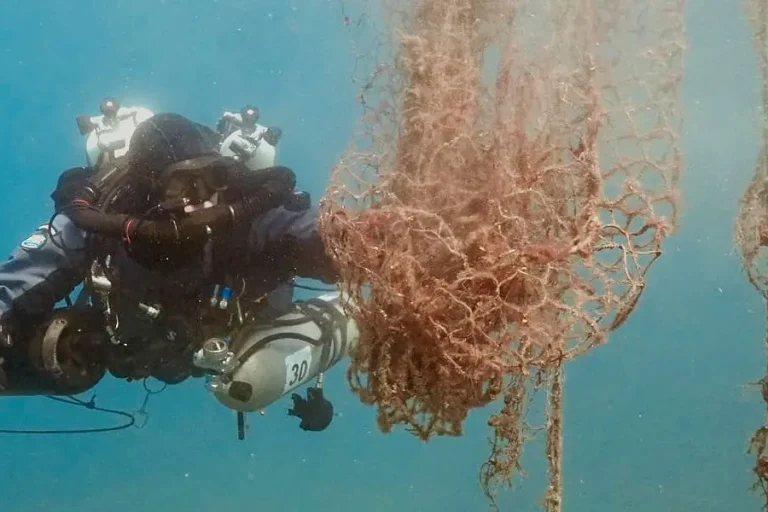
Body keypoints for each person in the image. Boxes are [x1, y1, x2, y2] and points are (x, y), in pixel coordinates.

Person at [0, 101, 350, 433]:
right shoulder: (95, 224)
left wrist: (366, 245)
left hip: (239, 319)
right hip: (138, 334)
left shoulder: (244, 216)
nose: (201, 196)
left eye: (213, 176)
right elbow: (20, 280)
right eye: (180, 183)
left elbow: (318, 235)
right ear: (147, 190)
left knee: (277, 297)